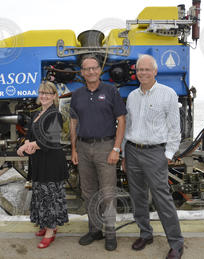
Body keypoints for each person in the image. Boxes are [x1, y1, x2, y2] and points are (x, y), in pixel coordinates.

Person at [121, 54, 184, 259]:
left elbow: (175, 128)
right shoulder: (132, 96)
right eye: (140, 70)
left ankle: (176, 243)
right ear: (136, 73)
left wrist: (168, 154)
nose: (143, 73)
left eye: (147, 69)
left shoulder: (168, 94)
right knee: (138, 197)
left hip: (155, 153)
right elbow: (127, 127)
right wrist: (123, 154)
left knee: (162, 199)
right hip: (132, 151)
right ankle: (145, 234)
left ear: (155, 71)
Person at [69, 54, 127, 251]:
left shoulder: (111, 91)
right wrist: (74, 149)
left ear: (99, 70)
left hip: (106, 147)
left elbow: (121, 120)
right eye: (87, 69)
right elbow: (73, 123)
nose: (91, 71)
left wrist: (116, 149)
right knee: (88, 191)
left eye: (94, 68)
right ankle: (94, 230)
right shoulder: (76, 95)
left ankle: (111, 232)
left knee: (108, 192)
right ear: (82, 73)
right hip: (83, 148)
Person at [17, 81, 69, 249]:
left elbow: (52, 140)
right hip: (39, 160)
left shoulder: (55, 114)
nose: (44, 96)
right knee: (40, 194)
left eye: (48, 93)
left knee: (51, 196)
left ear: (55, 96)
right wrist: (26, 144)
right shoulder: (37, 113)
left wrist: (29, 146)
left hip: (52, 161)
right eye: (41, 92)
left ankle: (51, 231)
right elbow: (31, 135)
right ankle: (46, 225)